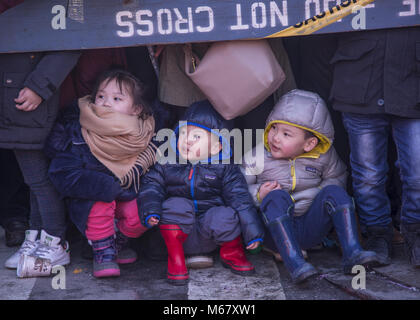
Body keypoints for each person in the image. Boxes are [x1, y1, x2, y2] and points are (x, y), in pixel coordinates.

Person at [242, 89, 379, 283]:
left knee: (335, 192)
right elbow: (237, 189)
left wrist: (319, 196)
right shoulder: (257, 156)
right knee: (275, 197)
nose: (275, 137)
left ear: (309, 143)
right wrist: (258, 194)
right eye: (274, 128)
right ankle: (295, 263)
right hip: (272, 232)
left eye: (286, 133)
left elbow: (338, 176)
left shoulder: (324, 157)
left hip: (310, 228)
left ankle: (353, 252)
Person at [45, 69, 157, 278]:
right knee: (101, 201)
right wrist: (107, 187)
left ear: (136, 109)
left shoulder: (146, 132)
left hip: (127, 195)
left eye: (117, 98)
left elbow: (154, 172)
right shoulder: (78, 130)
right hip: (90, 202)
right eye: (101, 96)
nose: (106, 103)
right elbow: (61, 173)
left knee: (144, 209)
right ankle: (103, 253)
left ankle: (115, 243)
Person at [138, 100, 264, 286]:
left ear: (216, 147)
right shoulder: (168, 162)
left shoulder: (225, 168)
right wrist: (150, 210)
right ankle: (176, 262)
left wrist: (252, 232)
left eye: (196, 137)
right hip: (178, 239)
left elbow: (241, 200)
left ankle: (232, 253)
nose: (187, 140)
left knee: (225, 214)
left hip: (211, 237)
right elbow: (151, 185)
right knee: (174, 205)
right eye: (183, 134)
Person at [330, 27, 420, 267]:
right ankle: (377, 234)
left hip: (413, 80)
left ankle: (416, 231)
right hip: (359, 78)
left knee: (418, 172)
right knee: (368, 176)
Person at [1, 19, 80, 269]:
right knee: (32, 179)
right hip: (15, 94)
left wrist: (39, 86)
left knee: (39, 179)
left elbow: (72, 38)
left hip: (25, 96)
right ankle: (35, 238)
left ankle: (54, 242)